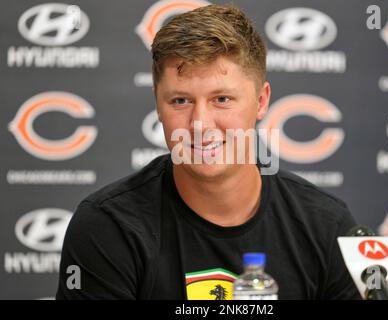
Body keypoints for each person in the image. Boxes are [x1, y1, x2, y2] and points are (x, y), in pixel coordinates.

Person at [56, 4, 359, 300]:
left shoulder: (326, 226)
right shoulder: (108, 226)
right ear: (157, 104)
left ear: (261, 101)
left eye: (222, 99)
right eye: (180, 101)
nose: (200, 124)